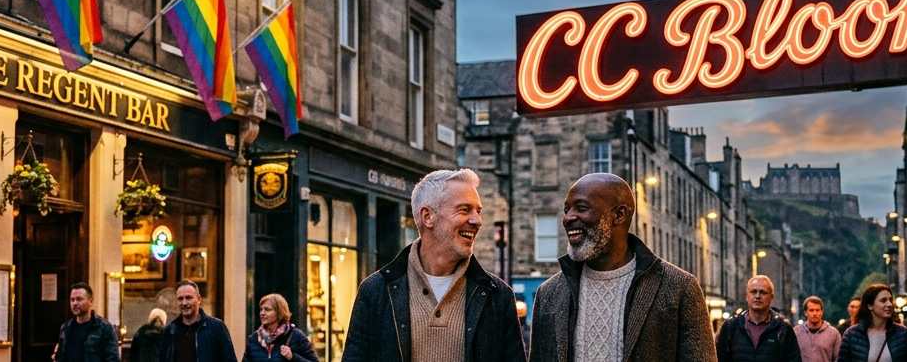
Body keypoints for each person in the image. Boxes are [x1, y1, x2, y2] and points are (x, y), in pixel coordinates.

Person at [341, 168, 523, 362]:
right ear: (428, 217)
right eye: (464, 209)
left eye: (478, 211)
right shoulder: (375, 291)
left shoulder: (498, 296)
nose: (477, 221)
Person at [531, 173, 717, 362]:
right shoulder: (548, 294)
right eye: (566, 210)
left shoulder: (679, 287)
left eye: (581, 208)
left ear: (619, 214)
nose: (568, 218)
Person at [715, 275, 801, 362]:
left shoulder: (783, 328)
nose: (757, 296)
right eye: (753, 292)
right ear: (747, 296)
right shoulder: (731, 326)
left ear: (771, 297)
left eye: (763, 292)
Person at [159, 280, 236, 362]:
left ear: (199, 299)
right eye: (180, 299)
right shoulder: (170, 331)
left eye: (188, 298)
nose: (184, 303)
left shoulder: (217, 328)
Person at [837, 284, 907, 362]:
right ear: (870, 306)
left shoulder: (903, 334)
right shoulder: (852, 334)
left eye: (890, 300)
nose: (889, 304)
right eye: (883, 300)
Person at [54, 282, 121, 362]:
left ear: (91, 301)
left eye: (79, 299)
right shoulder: (66, 327)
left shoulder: (104, 327)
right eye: (72, 300)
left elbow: (113, 359)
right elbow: (60, 356)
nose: (75, 303)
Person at [243, 293, 318, 362]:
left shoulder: (296, 336)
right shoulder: (253, 339)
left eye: (267, 309)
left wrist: (293, 357)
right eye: (261, 309)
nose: (262, 313)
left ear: (279, 312)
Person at [794, 296, 841, 362]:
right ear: (805, 312)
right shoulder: (796, 332)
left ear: (822, 312)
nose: (815, 313)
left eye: (817, 310)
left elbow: (838, 358)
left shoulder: (833, 334)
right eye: (811, 310)